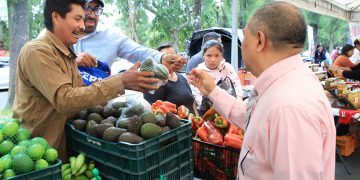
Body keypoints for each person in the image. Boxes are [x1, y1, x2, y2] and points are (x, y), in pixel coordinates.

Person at [189, 2, 335, 179]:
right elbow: (253, 119)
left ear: (260, 40)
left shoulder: (289, 106)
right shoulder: (283, 85)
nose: (242, 46)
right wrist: (212, 90)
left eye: (244, 37)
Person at [12, 0, 159, 162]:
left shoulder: (65, 51)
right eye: (77, 19)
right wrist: (120, 82)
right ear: (56, 17)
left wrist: (120, 80)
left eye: (82, 19)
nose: (82, 26)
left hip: (64, 148)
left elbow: (81, 92)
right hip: (38, 154)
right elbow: (65, 99)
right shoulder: (37, 51)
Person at [73, 0, 185, 72]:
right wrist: (72, 62)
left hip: (100, 106)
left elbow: (140, 52)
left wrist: (162, 58)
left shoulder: (111, 36)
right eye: (87, 8)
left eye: (96, 9)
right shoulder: (59, 34)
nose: (92, 15)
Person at [191, 40, 242, 115]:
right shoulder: (199, 71)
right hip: (207, 112)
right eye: (209, 56)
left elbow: (237, 86)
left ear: (221, 55)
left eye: (216, 56)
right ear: (203, 55)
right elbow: (196, 94)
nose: (213, 59)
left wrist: (238, 106)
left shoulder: (226, 67)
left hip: (229, 110)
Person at [144, 42, 195, 114]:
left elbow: (192, 102)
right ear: (159, 60)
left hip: (193, 122)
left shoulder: (182, 78)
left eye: (173, 57)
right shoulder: (155, 82)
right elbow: (152, 110)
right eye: (167, 57)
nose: (171, 61)